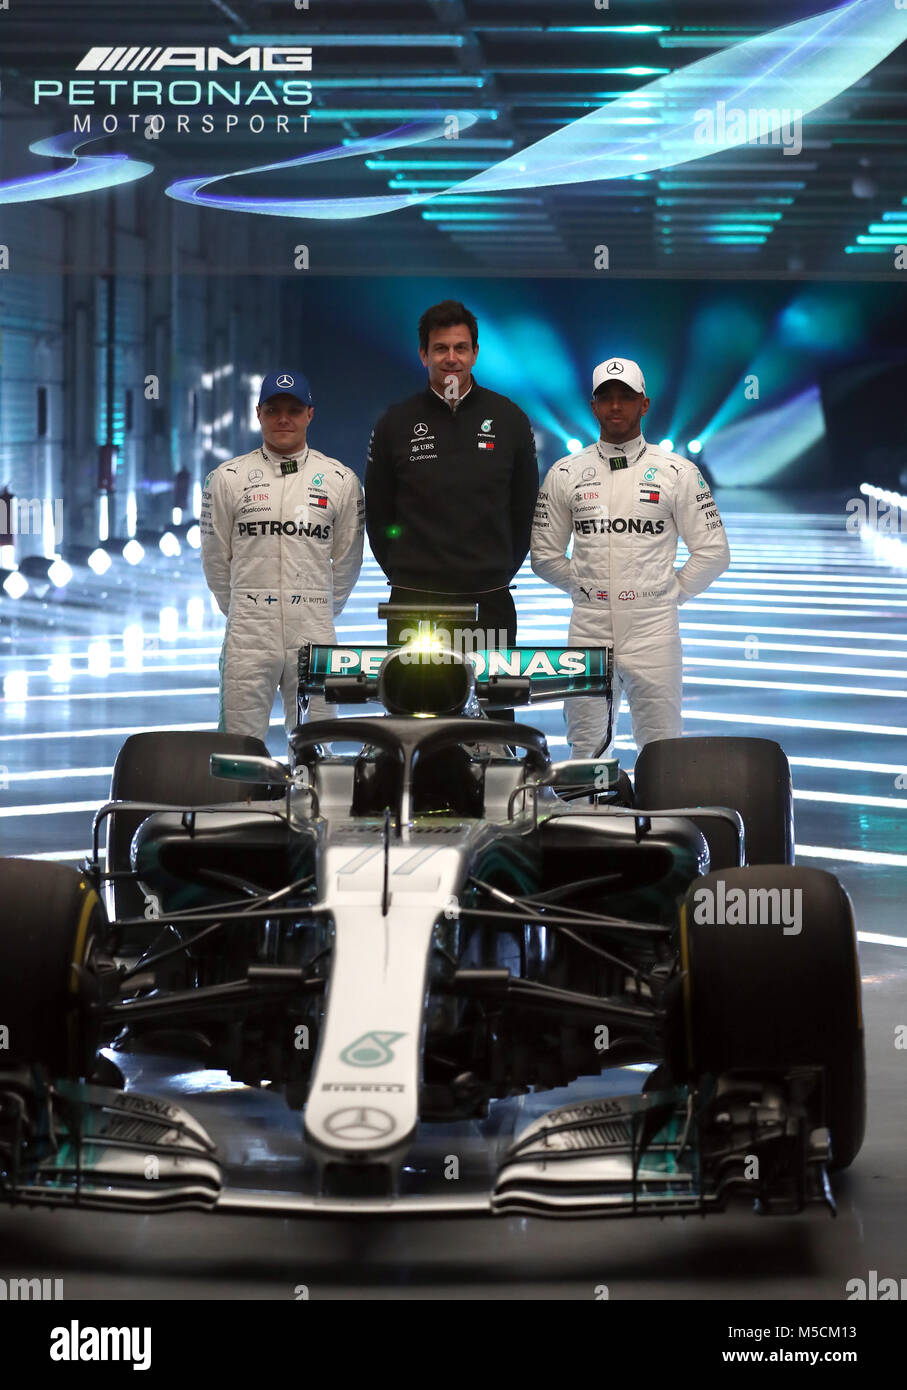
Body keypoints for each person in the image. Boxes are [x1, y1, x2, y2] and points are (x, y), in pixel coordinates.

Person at [531, 356, 730, 757]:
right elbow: (544, 555)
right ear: (593, 406)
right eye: (606, 397)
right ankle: (588, 816)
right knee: (586, 747)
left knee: (663, 747)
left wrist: (666, 594)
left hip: (654, 629)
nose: (616, 406)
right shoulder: (564, 473)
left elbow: (713, 552)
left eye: (626, 396)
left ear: (645, 404)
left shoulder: (679, 472)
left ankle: (658, 818)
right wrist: (592, 589)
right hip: (588, 628)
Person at [365, 300, 538, 653]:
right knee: (415, 708)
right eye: (440, 348)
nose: (451, 358)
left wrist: (494, 574)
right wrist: (407, 575)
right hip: (414, 601)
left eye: (460, 348)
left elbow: (525, 513)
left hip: (488, 600)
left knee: (491, 708)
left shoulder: (510, 420)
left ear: (475, 353)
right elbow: (378, 513)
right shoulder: (394, 423)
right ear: (423, 354)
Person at [201, 370, 364, 743]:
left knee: (316, 745)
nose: (283, 419)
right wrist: (246, 606)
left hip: (315, 632)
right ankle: (242, 803)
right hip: (248, 633)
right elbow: (214, 560)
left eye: (293, 409)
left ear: (310, 414)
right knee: (238, 746)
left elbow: (348, 561)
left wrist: (317, 607)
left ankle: (313, 802)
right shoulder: (226, 478)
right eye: (273, 409)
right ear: (258, 413)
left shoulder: (341, 480)